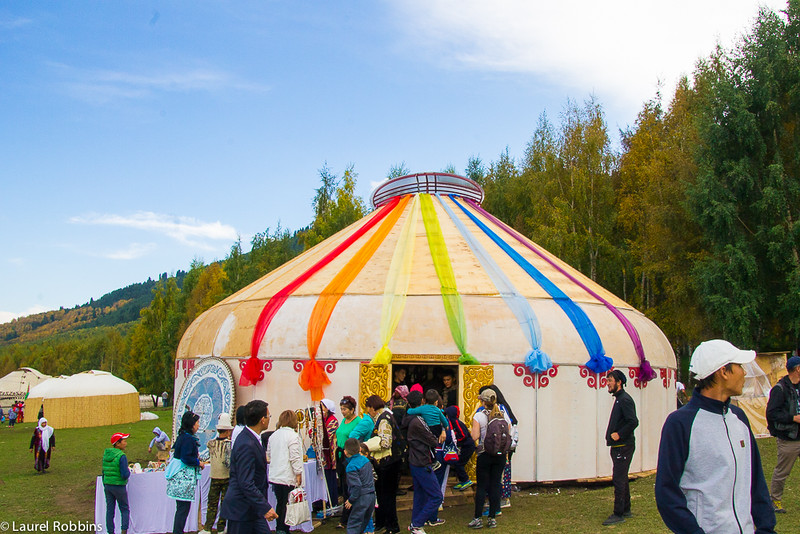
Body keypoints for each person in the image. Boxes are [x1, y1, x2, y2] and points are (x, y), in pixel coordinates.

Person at [655, 339, 776, 534]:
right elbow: (666, 492)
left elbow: (755, 480)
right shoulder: (680, 423)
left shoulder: (739, 418)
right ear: (724, 372)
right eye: (739, 366)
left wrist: (766, 527)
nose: (744, 372)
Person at [220, 400, 279, 534]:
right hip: (241, 509)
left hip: (252, 509)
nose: (269, 419)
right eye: (268, 416)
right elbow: (245, 482)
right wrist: (264, 506)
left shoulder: (252, 438)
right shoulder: (246, 443)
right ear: (262, 420)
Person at [602, 369, 639, 526]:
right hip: (619, 446)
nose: (608, 384)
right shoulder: (619, 399)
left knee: (618, 478)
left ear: (619, 382)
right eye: (607, 380)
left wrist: (619, 434)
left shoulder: (624, 400)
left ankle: (618, 513)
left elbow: (633, 421)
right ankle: (626, 509)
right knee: (622, 477)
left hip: (623, 445)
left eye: (610, 381)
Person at [468, 389, 510, 529]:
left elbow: (474, 436)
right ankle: (492, 518)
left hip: (485, 454)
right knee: (495, 484)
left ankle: (477, 518)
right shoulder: (503, 415)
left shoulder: (479, 416)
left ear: (483, 401)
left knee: (482, 486)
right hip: (500, 455)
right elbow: (508, 433)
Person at [766, 355, 800, 514]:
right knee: (782, 471)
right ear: (798, 369)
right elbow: (772, 413)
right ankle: (775, 500)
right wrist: (793, 418)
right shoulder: (780, 389)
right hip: (789, 438)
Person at [364, 395, 402, 534]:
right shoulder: (383, 416)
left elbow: (385, 442)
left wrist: (367, 445)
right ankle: (381, 521)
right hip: (384, 463)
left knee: (387, 496)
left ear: (373, 408)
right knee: (380, 494)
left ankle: (392, 526)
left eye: (369, 409)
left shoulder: (384, 419)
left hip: (389, 463)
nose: (369, 412)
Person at [405, 390, 442, 534]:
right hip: (422, 461)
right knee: (436, 496)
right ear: (422, 402)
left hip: (415, 459)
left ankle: (416, 524)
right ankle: (418, 523)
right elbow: (433, 440)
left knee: (419, 495)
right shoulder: (418, 421)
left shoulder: (410, 418)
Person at [335, 396, 374, 529]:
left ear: (352, 410)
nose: (343, 411)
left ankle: (348, 516)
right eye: (341, 409)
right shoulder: (344, 421)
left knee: (350, 485)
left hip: (349, 455)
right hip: (341, 453)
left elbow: (355, 438)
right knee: (343, 484)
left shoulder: (358, 422)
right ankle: (346, 514)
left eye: (345, 409)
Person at [167, 410, 209, 534]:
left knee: (181, 509)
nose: (198, 425)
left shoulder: (182, 436)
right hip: (183, 479)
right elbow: (186, 457)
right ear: (191, 424)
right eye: (197, 423)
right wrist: (198, 463)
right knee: (183, 509)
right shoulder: (188, 439)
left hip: (180, 479)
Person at [266, 410, 304, 534]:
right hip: (287, 475)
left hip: (276, 475)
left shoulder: (274, 435)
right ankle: (283, 529)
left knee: (280, 502)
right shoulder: (293, 436)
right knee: (287, 504)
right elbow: (295, 457)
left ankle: (280, 528)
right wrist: (298, 473)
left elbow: (269, 455)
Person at [202, 413, 234, 534]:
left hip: (214, 477)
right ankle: (221, 527)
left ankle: (208, 527)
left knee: (212, 503)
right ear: (227, 431)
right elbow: (228, 463)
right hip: (226, 477)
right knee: (224, 503)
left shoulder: (211, 443)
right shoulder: (228, 445)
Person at [343, 438, 376, 534]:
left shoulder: (351, 466)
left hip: (361, 497)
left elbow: (357, 486)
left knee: (354, 525)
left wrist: (351, 499)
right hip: (371, 496)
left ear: (345, 452)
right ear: (360, 449)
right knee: (363, 525)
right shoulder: (366, 460)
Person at [103, 432, 131, 534]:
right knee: (124, 509)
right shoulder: (121, 456)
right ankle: (124, 531)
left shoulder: (106, 454)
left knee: (110, 510)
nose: (126, 443)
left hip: (108, 485)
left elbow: (104, 471)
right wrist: (128, 472)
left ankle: (110, 531)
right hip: (119, 486)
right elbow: (124, 474)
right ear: (118, 443)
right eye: (124, 441)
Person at [445, 406, 475, 491]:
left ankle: (465, 480)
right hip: (464, 446)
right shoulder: (452, 422)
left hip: (467, 446)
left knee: (459, 463)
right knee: (457, 463)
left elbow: (463, 435)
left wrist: (456, 441)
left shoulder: (456, 423)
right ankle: (462, 480)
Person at [319, 399, 339, 511]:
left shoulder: (332, 421)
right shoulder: (323, 420)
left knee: (330, 477)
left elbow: (326, 435)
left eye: (323, 407)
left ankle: (332, 501)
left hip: (330, 455)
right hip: (323, 454)